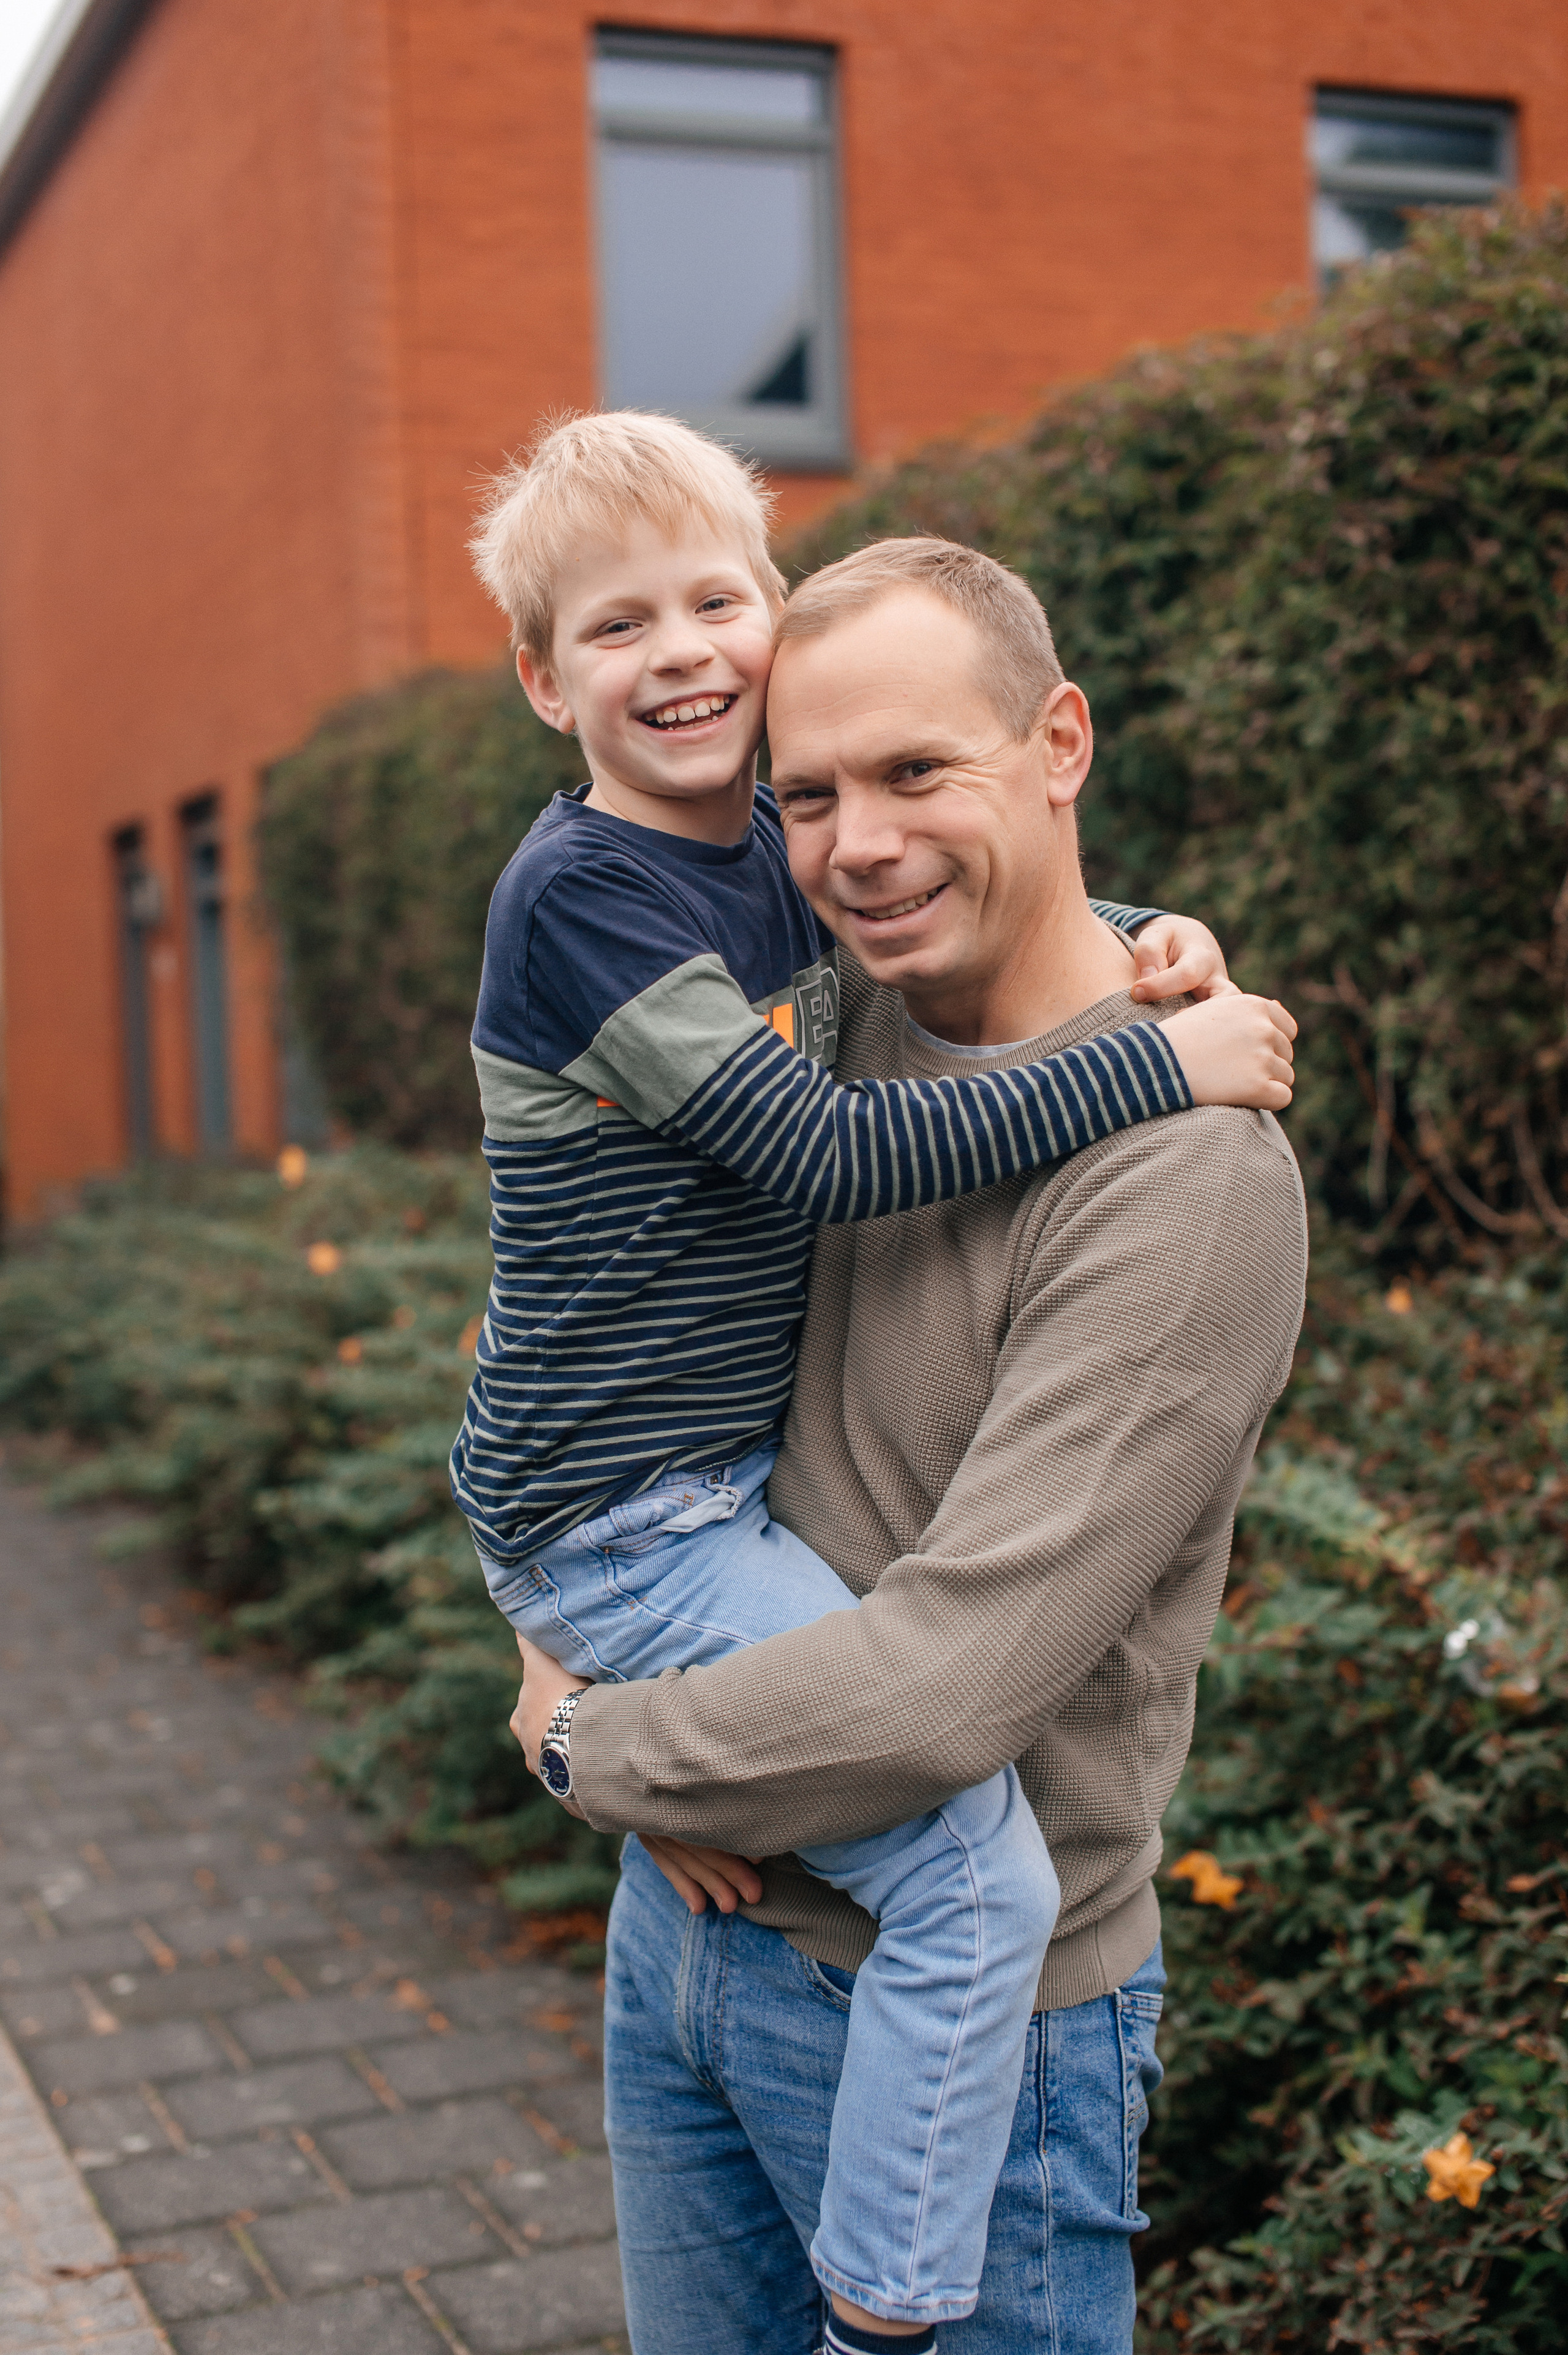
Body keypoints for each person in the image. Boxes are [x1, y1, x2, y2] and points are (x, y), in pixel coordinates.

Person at [456, 411, 1294, 2349]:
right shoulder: (835, 1015)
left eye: (917, 772)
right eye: (812, 792)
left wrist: (592, 1745)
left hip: (955, 2014)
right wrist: (549, 1615)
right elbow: (562, 1299)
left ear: (1062, 746)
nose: (855, 844)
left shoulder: (1188, 1180)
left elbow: (943, 1689)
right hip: (700, 1926)